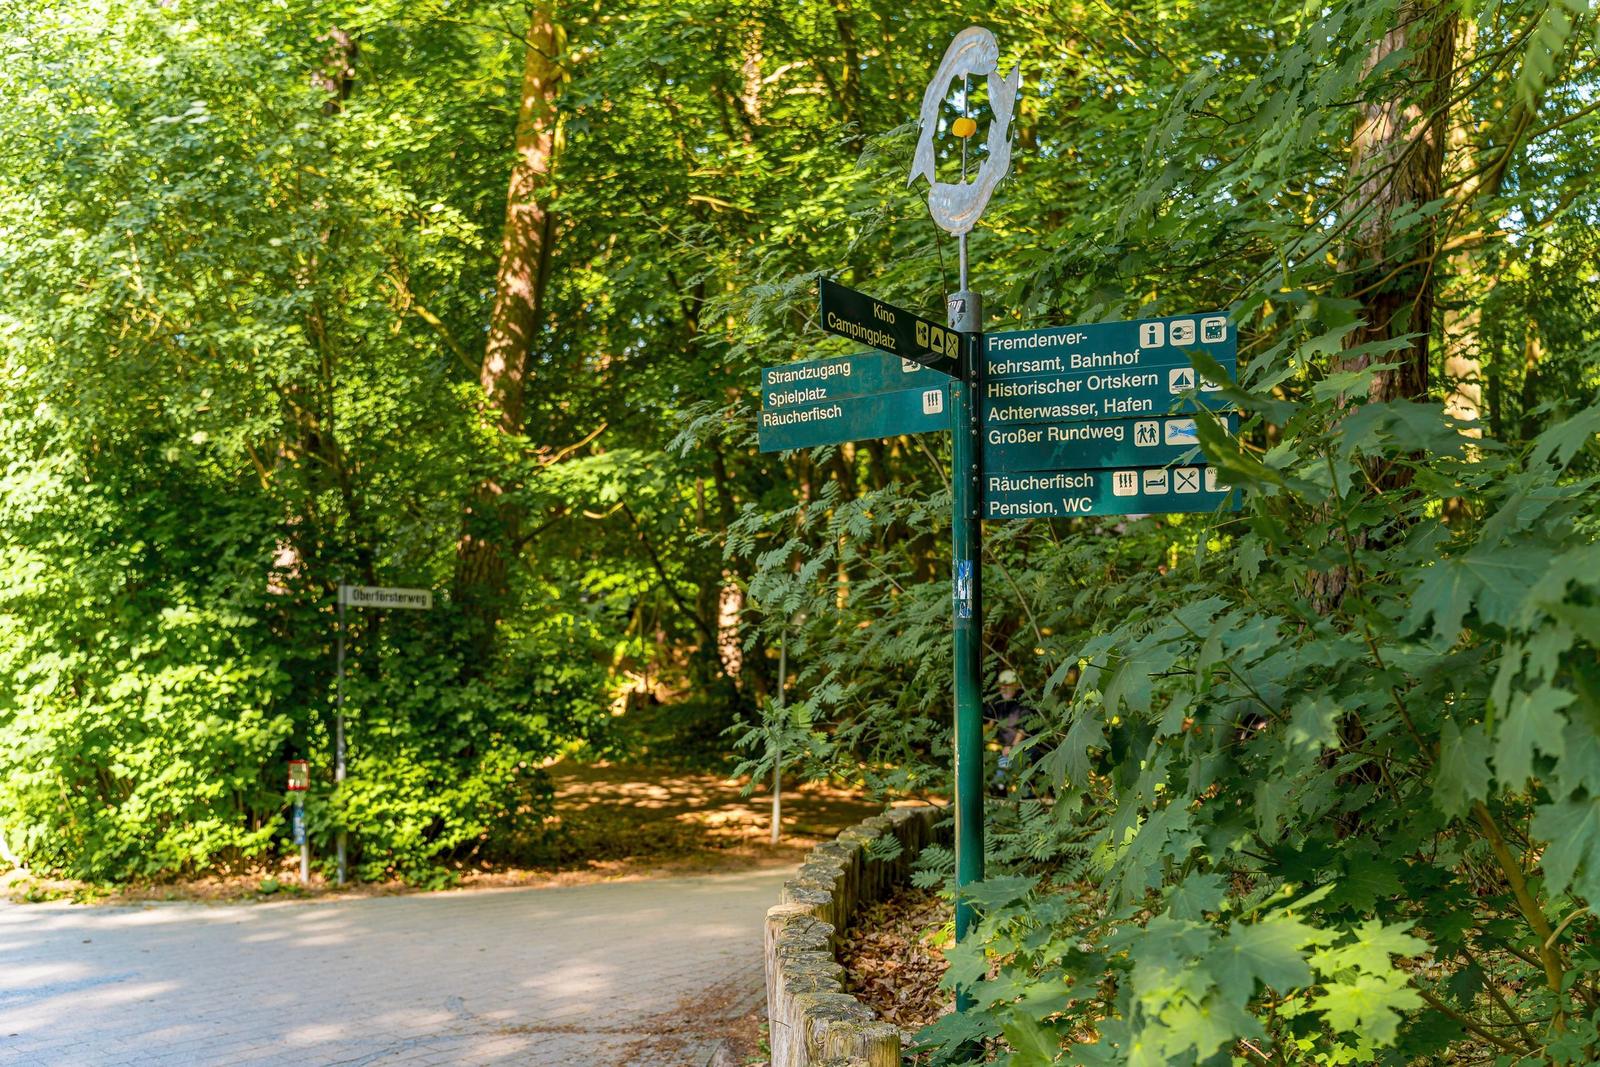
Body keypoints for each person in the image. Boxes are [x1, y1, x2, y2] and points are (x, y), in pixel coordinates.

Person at [985, 669, 1033, 794]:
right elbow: (988, 723)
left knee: (1026, 783)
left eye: (1007, 686)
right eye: (1001, 686)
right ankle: (1000, 790)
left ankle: (1028, 796)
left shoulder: (1024, 700)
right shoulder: (998, 701)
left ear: (1016, 685)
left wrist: (1013, 747)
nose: (1003, 689)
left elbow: (1024, 728)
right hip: (1005, 750)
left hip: (1026, 749)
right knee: (1001, 772)